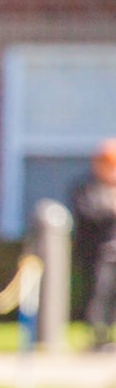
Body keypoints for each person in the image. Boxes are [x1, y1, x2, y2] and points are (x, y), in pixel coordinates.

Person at [71, 140, 116, 348]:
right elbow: (89, 214)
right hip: (98, 253)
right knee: (99, 294)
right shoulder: (86, 186)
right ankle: (98, 337)